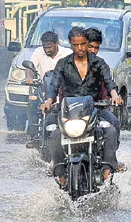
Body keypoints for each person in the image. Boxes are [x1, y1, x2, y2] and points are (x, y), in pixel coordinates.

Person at [41, 27, 123, 184]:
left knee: (112, 127)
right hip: (69, 110)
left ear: (87, 43)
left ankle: (108, 166)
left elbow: (109, 81)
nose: (80, 48)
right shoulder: (63, 64)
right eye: (76, 45)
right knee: (52, 129)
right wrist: (48, 102)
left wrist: (114, 95)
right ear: (70, 44)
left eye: (83, 44)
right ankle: (58, 168)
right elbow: (54, 85)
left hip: (95, 108)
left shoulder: (99, 63)